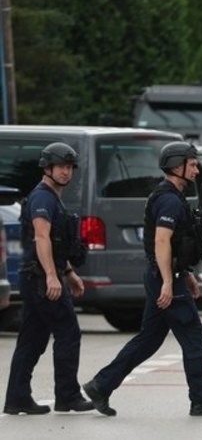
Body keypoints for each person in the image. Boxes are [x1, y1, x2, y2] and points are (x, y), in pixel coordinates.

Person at [83, 142, 202, 418]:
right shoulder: (168, 200)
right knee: (193, 337)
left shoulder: (173, 197)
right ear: (177, 166)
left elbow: (177, 245)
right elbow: (162, 241)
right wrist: (169, 281)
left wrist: (185, 274)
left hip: (167, 275)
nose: (197, 169)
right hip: (164, 278)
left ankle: (100, 386)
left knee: (149, 339)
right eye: (192, 164)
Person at [4, 142, 93, 415]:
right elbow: (41, 237)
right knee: (68, 332)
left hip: (39, 276)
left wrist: (68, 272)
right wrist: (53, 277)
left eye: (69, 167)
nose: (66, 172)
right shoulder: (43, 198)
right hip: (41, 279)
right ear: (48, 168)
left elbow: (54, 242)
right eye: (61, 167)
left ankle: (17, 398)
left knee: (32, 339)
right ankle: (67, 396)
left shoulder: (52, 197)